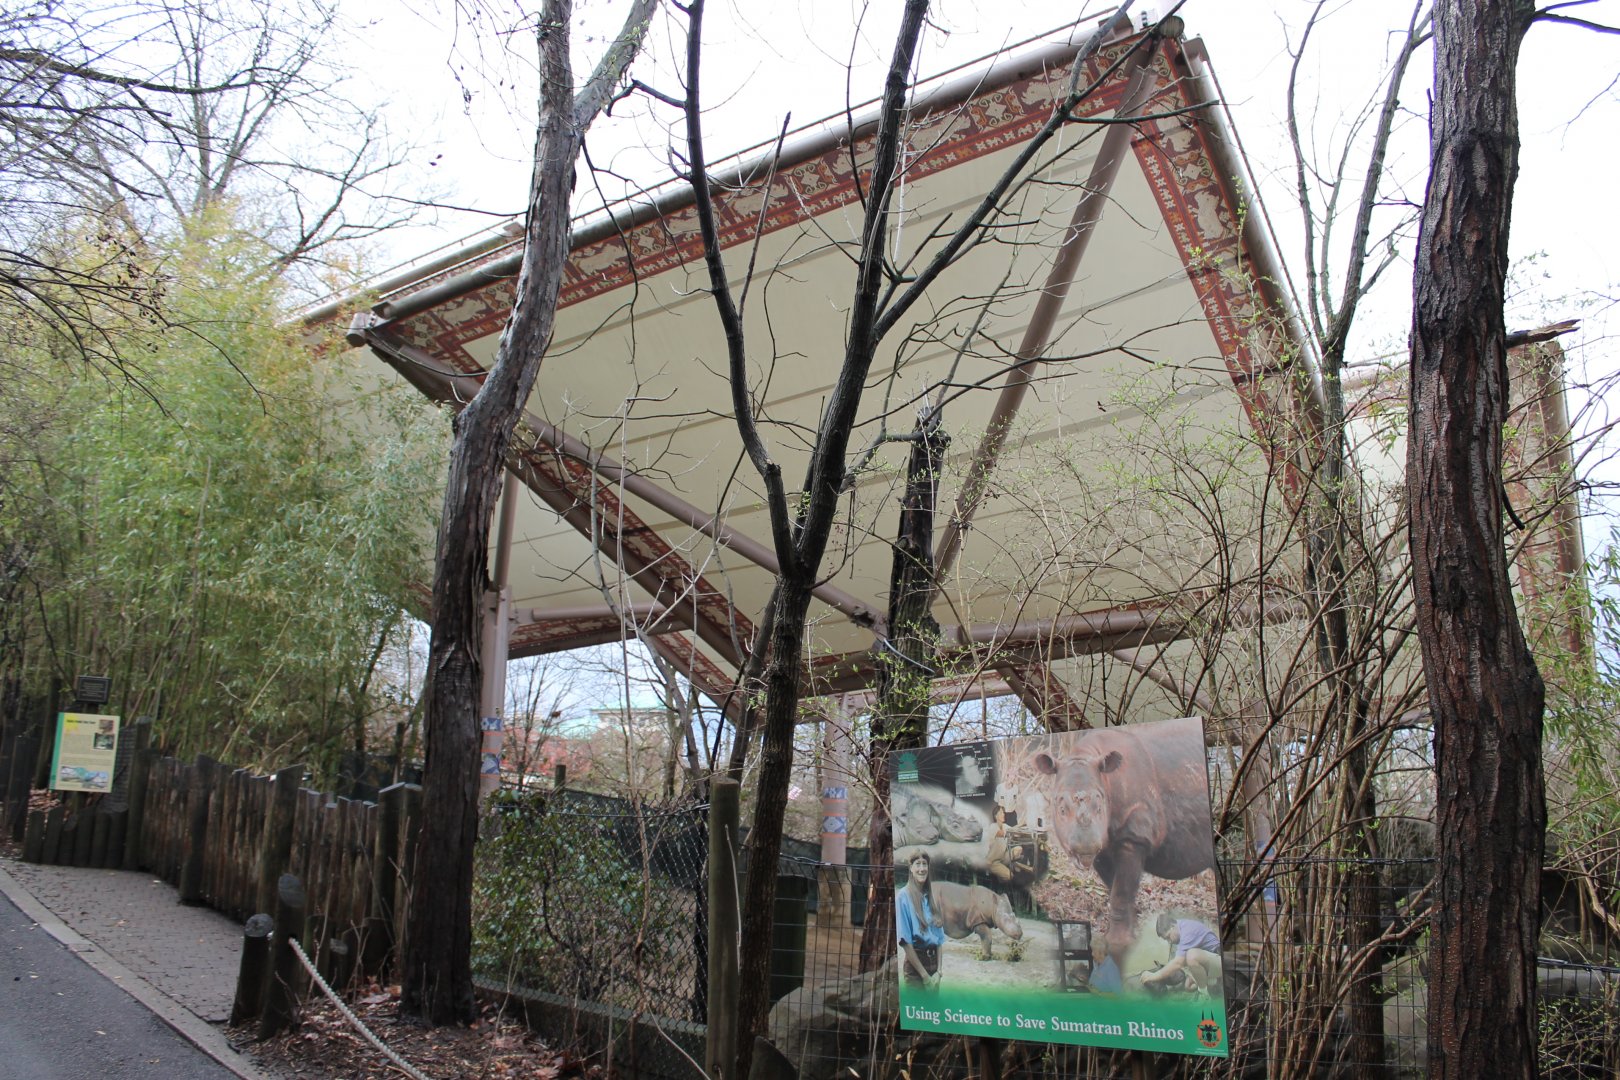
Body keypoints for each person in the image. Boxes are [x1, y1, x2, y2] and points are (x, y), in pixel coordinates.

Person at [1140, 913, 1222, 995]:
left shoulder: (1187, 932)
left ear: (1172, 927)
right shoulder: (1180, 926)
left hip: (1220, 959)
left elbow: (1178, 963)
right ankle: (1211, 983)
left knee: (1191, 955)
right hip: (1209, 962)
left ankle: (1204, 994)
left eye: (1168, 937)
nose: (1169, 941)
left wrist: (1154, 976)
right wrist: (1193, 974)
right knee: (1188, 986)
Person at [896, 852, 945, 988]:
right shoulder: (903, 897)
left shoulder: (931, 897)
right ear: (911, 868)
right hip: (916, 969)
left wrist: (939, 972)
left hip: (934, 966)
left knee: (933, 1009)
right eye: (918, 864)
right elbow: (905, 942)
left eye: (925, 864)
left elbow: (939, 940)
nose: (922, 869)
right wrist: (925, 977)